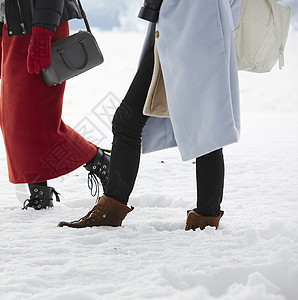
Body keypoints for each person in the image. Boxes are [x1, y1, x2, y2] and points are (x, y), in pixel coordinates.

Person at [58, 0, 242, 230]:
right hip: (184, 25)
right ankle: (204, 217)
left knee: (202, 127)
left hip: (199, 26)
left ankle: (204, 218)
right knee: (202, 125)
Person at [0, 0, 110, 210]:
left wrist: (43, 33)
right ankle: (40, 194)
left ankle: (101, 162)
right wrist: (0, 39)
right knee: (13, 121)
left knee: (39, 122)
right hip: (15, 28)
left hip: (41, 28)